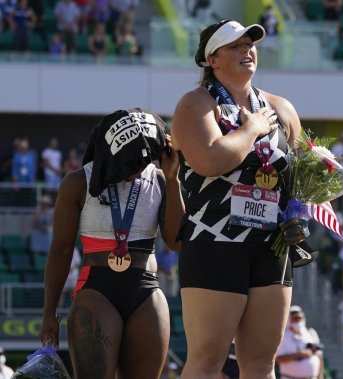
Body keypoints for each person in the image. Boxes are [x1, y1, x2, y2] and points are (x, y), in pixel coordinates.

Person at [171, 19, 304, 378]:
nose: (247, 50)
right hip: (215, 240)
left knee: (262, 363)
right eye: (235, 46)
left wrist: (304, 210)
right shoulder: (196, 103)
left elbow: (303, 176)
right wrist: (250, 130)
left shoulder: (281, 107)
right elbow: (210, 159)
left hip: (270, 245)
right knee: (207, 360)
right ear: (212, 59)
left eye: (250, 44)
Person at [39, 108, 184, 379]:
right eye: (130, 163)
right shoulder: (77, 181)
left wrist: (174, 179)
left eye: (143, 161)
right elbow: (60, 250)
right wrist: (48, 313)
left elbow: (175, 243)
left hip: (147, 290)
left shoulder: (161, 179)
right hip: (97, 290)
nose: (137, 170)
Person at [275, 305, 325, 379]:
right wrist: (300, 355)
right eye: (295, 318)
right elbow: (279, 359)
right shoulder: (284, 337)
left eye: (299, 318)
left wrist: (321, 376)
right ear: (289, 319)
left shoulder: (311, 333)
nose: (297, 321)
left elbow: (319, 356)